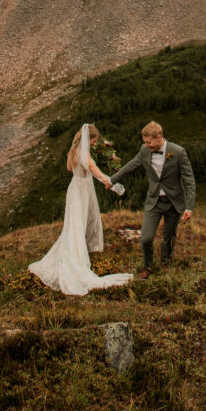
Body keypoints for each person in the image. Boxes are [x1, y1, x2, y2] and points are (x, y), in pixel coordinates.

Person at [28, 123, 133, 295]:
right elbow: (96, 171)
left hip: (75, 187)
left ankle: (84, 245)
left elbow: (69, 168)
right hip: (84, 189)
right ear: (88, 139)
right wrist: (110, 182)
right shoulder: (85, 156)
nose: (94, 143)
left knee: (75, 220)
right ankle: (85, 249)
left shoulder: (73, 151)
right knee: (85, 218)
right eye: (93, 140)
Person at [109, 120, 195, 279]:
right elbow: (130, 166)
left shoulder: (178, 152)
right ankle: (147, 267)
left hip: (173, 203)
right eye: (145, 142)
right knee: (146, 238)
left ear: (159, 137)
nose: (146, 145)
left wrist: (189, 207)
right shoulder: (144, 150)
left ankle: (165, 263)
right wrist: (112, 180)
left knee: (169, 237)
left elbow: (189, 180)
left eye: (149, 142)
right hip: (154, 201)